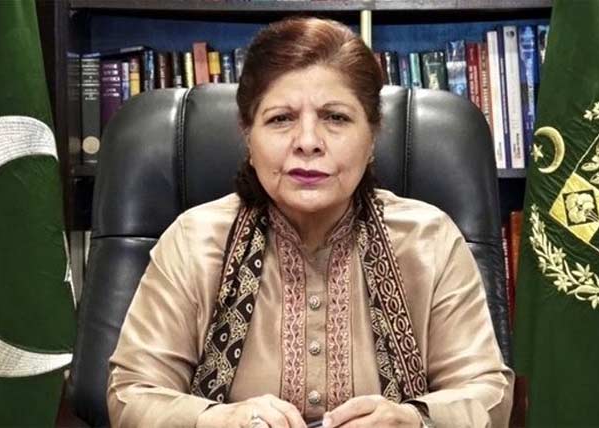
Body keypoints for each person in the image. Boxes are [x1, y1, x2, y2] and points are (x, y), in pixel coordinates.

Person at [107, 17, 513, 428]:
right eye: (280, 119)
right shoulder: (193, 242)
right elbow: (132, 395)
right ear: (248, 136)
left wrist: (415, 420)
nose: (307, 142)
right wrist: (216, 421)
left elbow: (488, 394)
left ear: (372, 137)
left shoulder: (430, 241)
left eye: (335, 117)